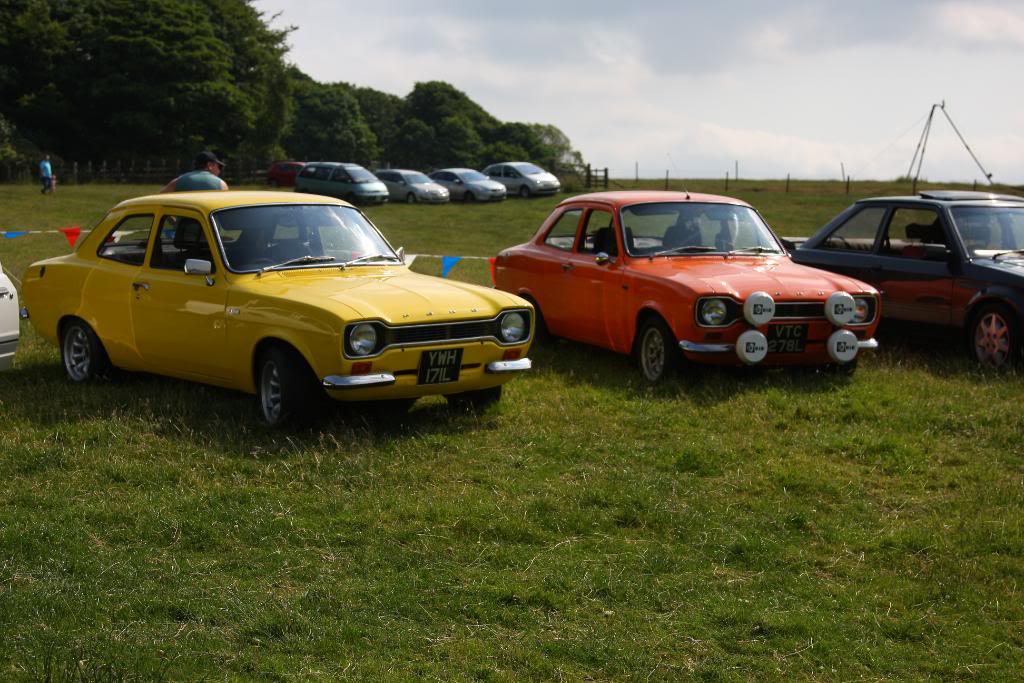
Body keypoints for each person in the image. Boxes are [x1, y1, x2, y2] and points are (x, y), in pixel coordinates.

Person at [160, 151, 229, 193]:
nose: (219, 170)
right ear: (209, 165)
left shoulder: (177, 181)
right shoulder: (221, 184)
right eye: (219, 166)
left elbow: (160, 197)